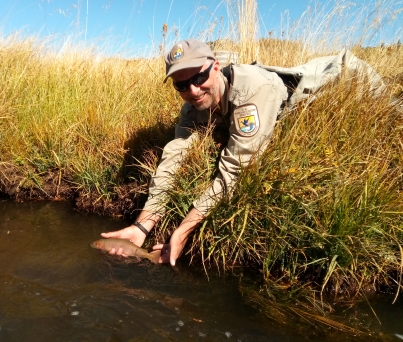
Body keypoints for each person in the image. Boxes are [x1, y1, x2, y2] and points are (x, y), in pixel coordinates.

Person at [101, 39, 389, 265]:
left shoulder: (253, 92)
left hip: (348, 80)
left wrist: (183, 229)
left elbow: (234, 170)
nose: (192, 90)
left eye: (198, 78)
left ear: (215, 67)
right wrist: (143, 224)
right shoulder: (192, 106)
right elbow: (173, 158)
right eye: (181, 84)